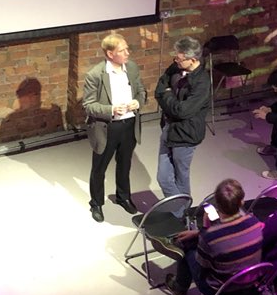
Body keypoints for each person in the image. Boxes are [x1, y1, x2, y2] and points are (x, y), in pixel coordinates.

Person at [82, 33, 146, 223]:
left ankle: (123, 197)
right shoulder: (95, 75)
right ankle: (96, 203)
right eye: (122, 50)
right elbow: (88, 105)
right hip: (107, 128)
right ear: (110, 54)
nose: (127, 53)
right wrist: (111, 110)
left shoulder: (131, 67)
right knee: (99, 168)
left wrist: (138, 102)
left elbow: (141, 91)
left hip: (129, 125)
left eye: (127, 48)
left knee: (125, 163)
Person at [165, 178, 263, 295]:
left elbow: (203, 269)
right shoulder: (255, 223)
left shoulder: (211, 237)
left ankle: (179, 287)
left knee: (187, 249)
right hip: (252, 283)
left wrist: (205, 229)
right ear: (241, 202)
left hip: (222, 292)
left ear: (217, 204)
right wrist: (201, 233)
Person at [154, 36, 211, 198]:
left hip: (185, 136)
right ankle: (179, 207)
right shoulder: (175, 67)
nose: (175, 61)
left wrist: (168, 96)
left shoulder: (202, 82)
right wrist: (170, 100)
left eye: (179, 59)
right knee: (163, 178)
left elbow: (183, 111)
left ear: (192, 60)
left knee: (181, 177)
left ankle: (181, 209)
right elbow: (159, 90)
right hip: (168, 128)